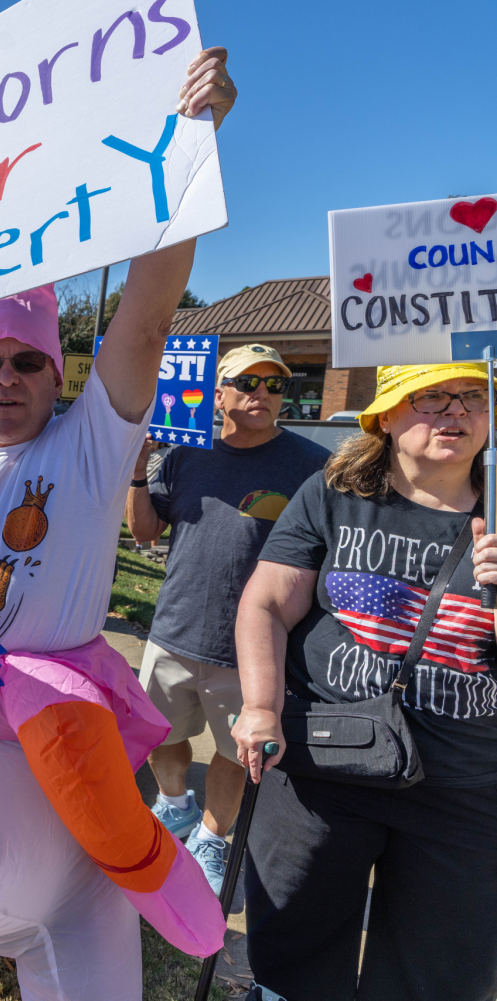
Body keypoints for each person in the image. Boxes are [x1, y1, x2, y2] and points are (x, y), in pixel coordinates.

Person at [0, 48, 237, 986]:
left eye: (26, 363)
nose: (7, 379)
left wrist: (193, 143)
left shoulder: (89, 448)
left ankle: (155, 871)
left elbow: (144, 319)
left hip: (55, 735)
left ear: (58, 375)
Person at [232, 362, 497, 1001]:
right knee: (296, 953)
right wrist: (261, 707)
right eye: (431, 397)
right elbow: (266, 602)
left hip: (464, 788)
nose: (455, 411)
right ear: (385, 415)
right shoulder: (335, 492)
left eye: (472, 396)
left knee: (436, 976)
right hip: (329, 760)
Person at [124, 343, 332, 894]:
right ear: (218, 395)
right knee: (160, 740)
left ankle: (213, 840)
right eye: (248, 382)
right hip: (172, 632)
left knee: (233, 755)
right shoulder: (186, 454)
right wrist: (138, 472)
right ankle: (175, 805)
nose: (262, 393)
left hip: (249, 649)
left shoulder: (314, 467)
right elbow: (146, 532)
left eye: (275, 384)